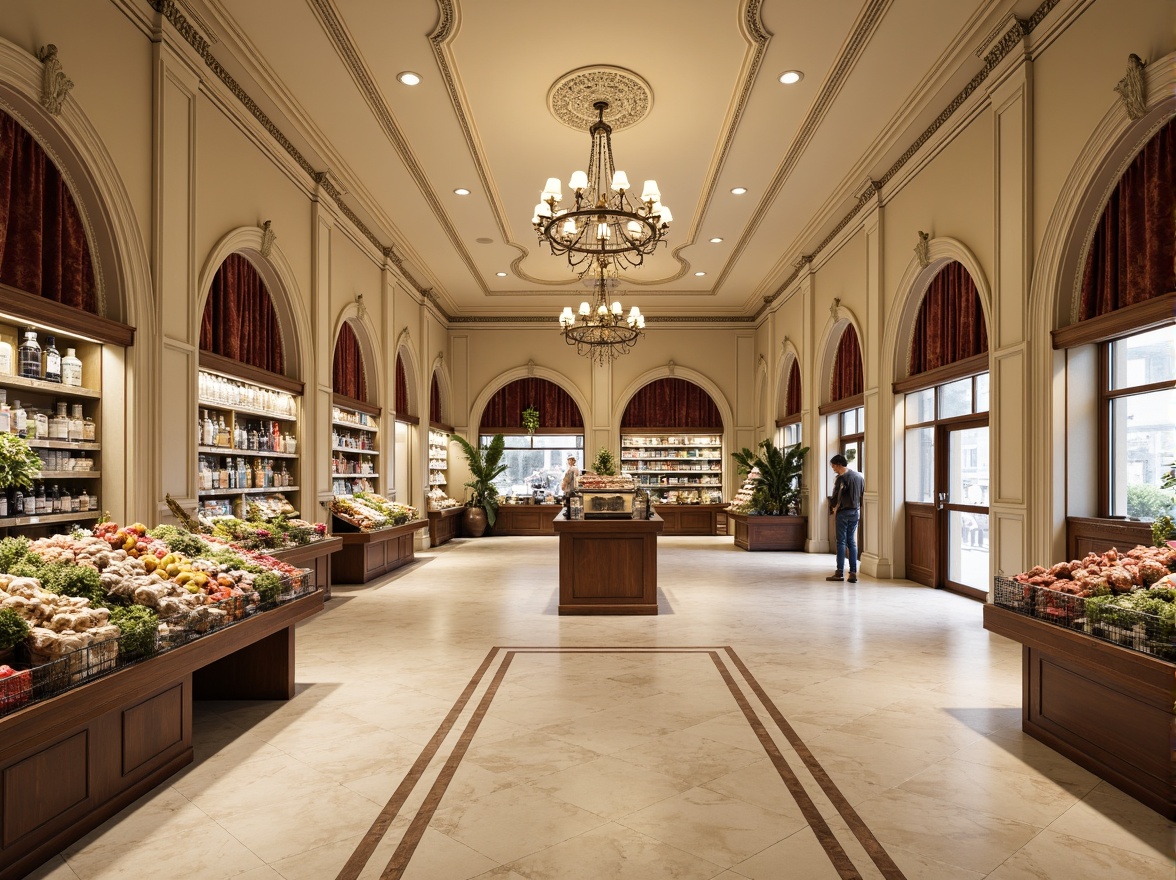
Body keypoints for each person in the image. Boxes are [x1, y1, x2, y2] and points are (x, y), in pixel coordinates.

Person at [828, 454, 864, 583]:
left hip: (843, 512)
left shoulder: (841, 479)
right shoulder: (859, 477)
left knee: (841, 542)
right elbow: (862, 494)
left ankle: (839, 572)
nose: (833, 468)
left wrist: (833, 507)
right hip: (855, 512)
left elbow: (836, 496)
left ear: (838, 464)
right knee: (851, 542)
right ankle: (853, 573)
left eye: (833, 465)